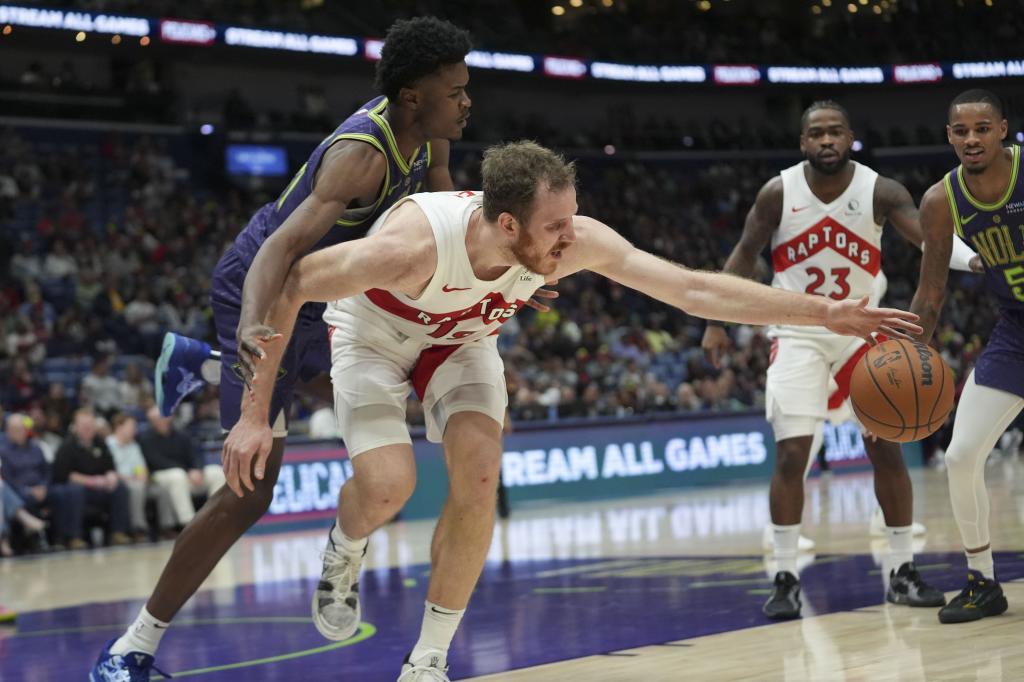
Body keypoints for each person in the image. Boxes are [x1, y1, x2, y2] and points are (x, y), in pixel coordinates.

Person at [219, 140, 918, 681]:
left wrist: (825, 311)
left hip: (460, 342)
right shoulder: (409, 246)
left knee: (480, 476)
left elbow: (690, 290)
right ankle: (345, 547)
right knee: (387, 486)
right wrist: (255, 415)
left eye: (570, 219)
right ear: (504, 223)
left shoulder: (568, 236)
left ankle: (427, 660)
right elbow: (292, 284)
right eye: (554, 227)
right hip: (375, 337)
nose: (569, 237)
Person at [90, 17, 491, 681]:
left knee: (361, 384)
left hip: (330, 293)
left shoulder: (428, 138)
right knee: (250, 493)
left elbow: (443, 209)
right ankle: (129, 649)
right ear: (415, 96)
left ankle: (198, 363)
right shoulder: (361, 154)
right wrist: (252, 328)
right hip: (271, 286)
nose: (468, 101)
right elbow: (279, 249)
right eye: (457, 91)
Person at [701, 101, 971, 620]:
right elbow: (744, 253)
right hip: (799, 331)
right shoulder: (779, 192)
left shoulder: (880, 190)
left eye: (835, 133)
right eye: (816, 134)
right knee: (790, 454)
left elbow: (928, 239)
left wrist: (975, 258)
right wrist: (716, 321)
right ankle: (784, 576)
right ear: (804, 143)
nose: (826, 141)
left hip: (862, 330)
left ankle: (901, 569)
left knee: (887, 448)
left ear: (850, 137)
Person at [910, 89, 1023, 624]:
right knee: (960, 456)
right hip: (1016, 335)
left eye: (982, 128)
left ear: (1003, 129)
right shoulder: (939, 201)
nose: (972, 138)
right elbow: (931, 293)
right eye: (961, 130)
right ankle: (983, 582)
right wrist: (910, 357)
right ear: (949, 135)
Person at [0, 412, 85, 549]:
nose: (20, 432)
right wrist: (29, 490)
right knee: (26, 498)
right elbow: (7, 479)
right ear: (8, 431)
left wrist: (44, 486)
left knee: (64, 493)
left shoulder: (36, 447)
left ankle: (64, 538)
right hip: (20, 490)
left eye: (22, 429)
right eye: (16, 429)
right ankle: (35, 540)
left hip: (42, 487)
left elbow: (47, 472)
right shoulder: (3, 451)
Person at [53, 408, 132, 547]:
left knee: (120, 488)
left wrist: (111, 476)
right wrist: (91, 481)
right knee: (75, 491)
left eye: (90, 426)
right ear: (76, 426)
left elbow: (110, 466)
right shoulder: (67, 446)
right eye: (84, 426)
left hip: (100, 487)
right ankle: (74, 537)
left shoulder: (100, 443)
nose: (88, 429)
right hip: (78, 487)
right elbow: (64, 474)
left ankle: (118, 532)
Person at [138, 406, 223, 528]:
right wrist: (188, 471)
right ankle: (189, 523)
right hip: (160, 476)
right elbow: (157, 462)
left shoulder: (182, 434)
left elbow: (196, 454)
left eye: (165, 417)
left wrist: (197, 469)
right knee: (177, 475)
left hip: (188, 476)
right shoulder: (146, 439)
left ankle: (216, 517)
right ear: (153, 422)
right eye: (158, 419)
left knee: (216, 472)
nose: (163, 421)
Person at [106, 413, 174, 541]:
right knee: (136, 488)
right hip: (121, 483)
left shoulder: (134, 446)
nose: (134, 430)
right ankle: (138, 528)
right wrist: (131, 479)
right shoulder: (108, 445)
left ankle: (167, 526)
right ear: (119, 427)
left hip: (138, 481)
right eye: (131, 427)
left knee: (162, 488)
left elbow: (141, 467)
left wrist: (143, 475)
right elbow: (109, 471)